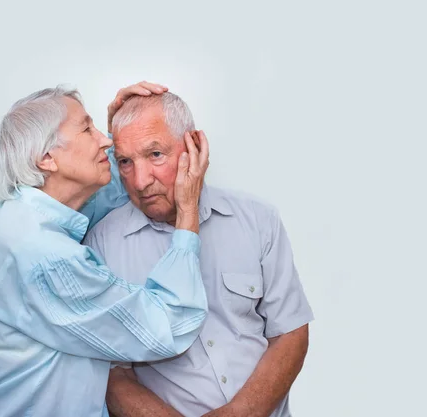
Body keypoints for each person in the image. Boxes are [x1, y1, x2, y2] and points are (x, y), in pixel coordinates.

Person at [0, 82, 210, 417]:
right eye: (87, 129)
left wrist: (124, 136)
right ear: (47, 158)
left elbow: (122, 189)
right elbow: (169, 324)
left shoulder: (22, 216)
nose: (104, 140)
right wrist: (188, 214)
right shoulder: (45, 255)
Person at [84, 89, 314, 417]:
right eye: (125, 161)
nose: (140, 180)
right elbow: (112, 372)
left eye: (155, 155)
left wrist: (239, 413)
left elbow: (290, 332)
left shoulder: (258, 219)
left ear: (193, 146)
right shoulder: (102, 245)